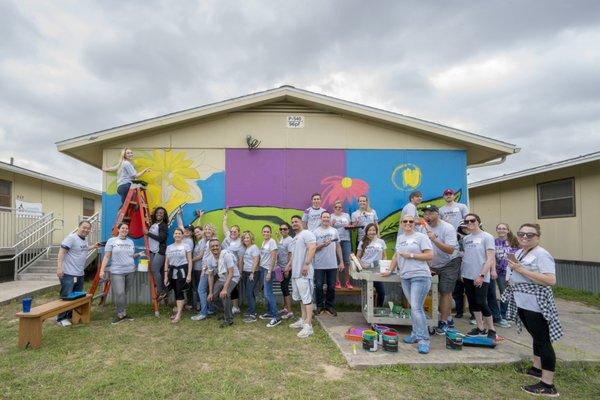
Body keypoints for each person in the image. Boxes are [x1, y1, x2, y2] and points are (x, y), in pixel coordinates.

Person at [503, 223, 562, 397]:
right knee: (536, 337)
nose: (524, 237)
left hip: (536, 303)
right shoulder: (521, 251)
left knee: (543, 341)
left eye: (530, 235)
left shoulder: (542, 254)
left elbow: (550, 280)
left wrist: (521, 269)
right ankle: (537, 368)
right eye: (522, 234)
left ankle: (548, 385)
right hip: (523, 301)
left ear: (538, 237)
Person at [383, 214, 433, 354]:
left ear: (414, 223)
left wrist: (411, 255)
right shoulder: (400, 238)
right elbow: (396, 255)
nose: (408, 223)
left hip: (420, 276)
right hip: (405, 277)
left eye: (411, 221)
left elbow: (429, 255)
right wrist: (389, 270)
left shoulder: (421, 237)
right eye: (405, 221)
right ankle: (416, 334)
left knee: (417, 308)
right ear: (401, 223)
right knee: (414, 307)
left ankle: (424, 340)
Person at [422, 204, 461, 335]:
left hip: (449, 263)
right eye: (425, 214)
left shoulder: (447, 228)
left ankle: (444, 321)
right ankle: (448, 318)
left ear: (437, 214)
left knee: (445, 291)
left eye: (430, 213)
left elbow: (450, 250)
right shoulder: (423, 227)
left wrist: (435, 239)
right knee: (430, 291)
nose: (427, 217)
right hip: (432, 264)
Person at [99, 223, 145, 324]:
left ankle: (124, 313)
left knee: (124, 293)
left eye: (127, 228)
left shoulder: (130, 242)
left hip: (130, 270)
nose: (125, 230)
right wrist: (102, 270)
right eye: (123, 228)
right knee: (120, 293)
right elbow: (106, 257)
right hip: (117, 271)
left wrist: (138, 254)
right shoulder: (112, 241)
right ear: (118, 229)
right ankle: (120, 314)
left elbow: (130, 256)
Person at [461, 213, 497, 339]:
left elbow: (490, 258)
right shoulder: (466, 239)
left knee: (482, 302)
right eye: (467, 221)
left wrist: (482, 275)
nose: (470, 223)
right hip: (467, 275)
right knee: (472, 303)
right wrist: (462, 272)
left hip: (481, 275)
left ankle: (492, 329)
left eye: (473, 220)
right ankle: (480, 328)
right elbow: (466, 256)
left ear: (479, 222)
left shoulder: (487, 237)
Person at [56, 220, 97, 326]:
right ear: (79, 227)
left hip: (79, 273)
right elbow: (61, 252)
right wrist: (59, 268)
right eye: (84, 227)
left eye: (88, 228)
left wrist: (94, 246)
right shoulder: (71, 238)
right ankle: (61, 318)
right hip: (69, 273)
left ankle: (69, 315)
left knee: (76, 296)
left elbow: (82, 249)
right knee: (66, 295)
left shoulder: (84, 240)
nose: (86, 230)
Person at [288, 215, 317, 338]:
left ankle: (308, 326)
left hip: (304, 273)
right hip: (295, 273)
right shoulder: (295, 238)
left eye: (296, 221)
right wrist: (289, 265)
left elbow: (312, 248)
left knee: (307, 298)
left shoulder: (307, 233)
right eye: (293, 222)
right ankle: (303, 319)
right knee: (301, 298)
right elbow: (294, 255)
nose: (294, 223)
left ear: (302, 222)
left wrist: (306, 264)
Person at [313, 211, 344, 316]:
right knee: (318, 286)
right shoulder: (315, 232)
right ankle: (319, 307)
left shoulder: (334, 231)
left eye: (327, 217)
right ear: (321, 219)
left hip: (332, 264)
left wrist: (341, 262)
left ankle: (329, 306)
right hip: (319, 264)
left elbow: (338, 247)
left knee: (331, 286)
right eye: (324, 217)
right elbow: (313, 248)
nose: (326, 219)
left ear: (329, 219)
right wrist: (322, 245)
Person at [207, 239, 240, 328]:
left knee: (224, 295)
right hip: (222, 278)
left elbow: (231, 273)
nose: (215, 248)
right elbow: (210, 276)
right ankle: (226, 312)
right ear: (210, 248)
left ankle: (228, 319)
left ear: (220, 246)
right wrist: (210, 292)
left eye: (216, 245)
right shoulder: (209, 259)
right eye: (212, 246)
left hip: (233, 277)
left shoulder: (226, 255)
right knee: (211, 298)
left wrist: (225, 289)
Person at [164, 228, 192, 323]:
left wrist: (189, 274)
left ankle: (179, 314)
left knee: (179, 291)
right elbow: (166, 262)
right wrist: (165, 276)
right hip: (172, 272)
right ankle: (178, 311)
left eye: (179, 233)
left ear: (182, 235)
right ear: (173, 235)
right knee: (175, 291)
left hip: (182, 271)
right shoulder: (169, 247)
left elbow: (190, 261)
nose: (177, 235)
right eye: (175, 233)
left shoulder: (186, 246)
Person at [494, 223, 519, 328]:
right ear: (496, 230)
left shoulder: (514, 241)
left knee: (514, 293)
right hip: (499, 272)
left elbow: (517, 256)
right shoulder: (493, 241)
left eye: (504, 228)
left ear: (508, 230)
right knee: (504, 293)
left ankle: (511, 315)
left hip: (512, 271)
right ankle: (503, 316)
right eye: (499, 228)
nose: (501, 230)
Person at [356, 223, 387, 308]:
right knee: (368, 292)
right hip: (366, 271)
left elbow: (384, 256)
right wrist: (362, 265)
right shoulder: (362, 242)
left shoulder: (381, 242)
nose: (372, 232)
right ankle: (368, 311)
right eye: (370, 230)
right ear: (366, 232)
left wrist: (383, 265)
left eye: (373, 230)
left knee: (381, 292)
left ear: (376, 231)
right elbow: (357, 256)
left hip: (377, 271)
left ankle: (378, 309)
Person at [191, 223, 217, 321]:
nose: (206, 231)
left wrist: (203, 270)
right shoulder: (208, 241)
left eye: (209, 229)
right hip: (208, 269)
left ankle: (203, 313)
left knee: (201, 290)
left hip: (208, 270)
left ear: (213, 230)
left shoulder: (213, 241)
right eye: (205, 229)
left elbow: (210, 257)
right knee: (207, 290)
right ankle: (210, 309)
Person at [258, 225, 281, 327]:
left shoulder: (272, 242)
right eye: (264, 232)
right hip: (263, 268)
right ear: (262, 233)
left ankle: (276, 317)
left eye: (268, 232)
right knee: (267, 292)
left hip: (268, 270)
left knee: (268, 293)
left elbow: (273, 258)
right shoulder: (264, 242)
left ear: (270, 233)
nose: (266, 233)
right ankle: (270, 312)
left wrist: (269, 272)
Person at [221, 210, 243, 314]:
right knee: (227, 286)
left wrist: (240, 271)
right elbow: (224, 226)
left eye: (235, 231)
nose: (233, 232)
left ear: (239, 233)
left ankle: (235, 307)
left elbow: (240, 259)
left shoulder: (240, 243)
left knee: (232, 288)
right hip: (224, 267)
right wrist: (225, 216)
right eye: (232, 231)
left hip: (233, 269)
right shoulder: (228, 237)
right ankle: (231, 307)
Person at [145, 207, 169, 302]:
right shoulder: (153, 224)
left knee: (155, 269)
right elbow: (148, 215)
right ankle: (164, 291)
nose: (159, 214)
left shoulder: (163, 225)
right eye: (158, 212)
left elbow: (161, 238)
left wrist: (148, 234)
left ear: (164, 215)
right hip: (152, 250)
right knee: (157, 271)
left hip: (160, 251)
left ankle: (161, 292)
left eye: (162, 213)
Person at [452, 221, 475, 321]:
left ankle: (474, 313)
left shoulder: (474, 238)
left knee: (471, 293)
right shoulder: (456, 237)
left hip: (470, 269)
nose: (465, 229)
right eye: (463, 227)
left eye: (467, 227)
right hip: (457, 268)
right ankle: (459, 311)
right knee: (457, 292)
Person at [331, 200, 352, 289]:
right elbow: (328, 228)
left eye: (340, 207)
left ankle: (347, 282)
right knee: (336, 261)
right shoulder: (331, 216)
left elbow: (350, 227)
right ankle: (337, 282)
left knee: (347, 261)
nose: (338, 209)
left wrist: (351, 225)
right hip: (335, 241)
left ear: (342, 208)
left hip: (346, 240)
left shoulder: (346, 215)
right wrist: (332, 224)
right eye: (336, 207)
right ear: (333, 208)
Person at [240, 231, 260, 323]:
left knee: (249, 292)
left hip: (253, 273)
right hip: (245, 272)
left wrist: (252, 273)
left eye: (248, 238)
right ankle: (251, 310)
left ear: (251, 239)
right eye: (244, 238)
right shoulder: (246, 248)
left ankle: (252, 314)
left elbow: (256, 260)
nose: (246, 239)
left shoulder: (254, 247)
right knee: (249, 293)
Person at [277, 222, 294, 320]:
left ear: (289, 230)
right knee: (283, 287)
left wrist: (287, 268)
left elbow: (290, 255)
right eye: (281, 229)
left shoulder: (290, 240)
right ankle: (285, 308)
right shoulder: (282, 239)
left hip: (286, 268)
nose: (283, 230)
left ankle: (290, 311)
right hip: (280, 268)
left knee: (285, 288)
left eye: (285, 229)